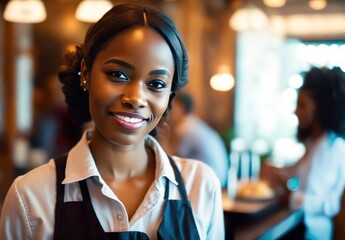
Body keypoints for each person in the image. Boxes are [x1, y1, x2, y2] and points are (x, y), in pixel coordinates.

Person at [0, 4, 225, 240]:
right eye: (118, 74)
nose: (136, 99)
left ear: (170, 94)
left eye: (156, 84)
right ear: (86, 73)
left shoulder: (200, 186)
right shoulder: (30, 196)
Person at [274, 66, 345, 240]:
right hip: (300, 227)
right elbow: (296, 174)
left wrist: (294, 198)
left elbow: (336, 204)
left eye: (302, 105)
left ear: (321, 109)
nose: (296, 112)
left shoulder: (335, 150)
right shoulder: (314, 145)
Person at [166, 92, 229, 188]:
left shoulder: (184, 129)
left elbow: (172, 161)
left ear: (180, 107)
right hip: (220, 178)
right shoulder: (193, 123)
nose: (169, 112)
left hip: (211, 181)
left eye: (172, 107)